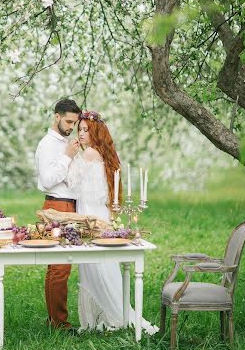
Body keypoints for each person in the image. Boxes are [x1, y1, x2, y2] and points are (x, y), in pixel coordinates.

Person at [68, 110, 158, 334]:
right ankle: (111, 313)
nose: (80, 134)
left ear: (95, 132)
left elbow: (71, 184)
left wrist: (69, 156)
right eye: (79, 130)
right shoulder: (102, 154)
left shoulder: (88, 154)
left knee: (95, 266)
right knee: (105, 265)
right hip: (100, 212)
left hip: (90, 214)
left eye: (85, 130)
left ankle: (107, 317)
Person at [35, 98, 81, 331]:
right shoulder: (48, 145)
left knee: (64, 265)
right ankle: (59, 323)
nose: (71, 126)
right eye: (68, 121)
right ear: (57, 117)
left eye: (74, 123)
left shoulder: (65, 142)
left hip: (71, 206)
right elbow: (46, 180)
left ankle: (56, 319)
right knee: (59, 267)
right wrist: (67, 157)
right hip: (57, 207)